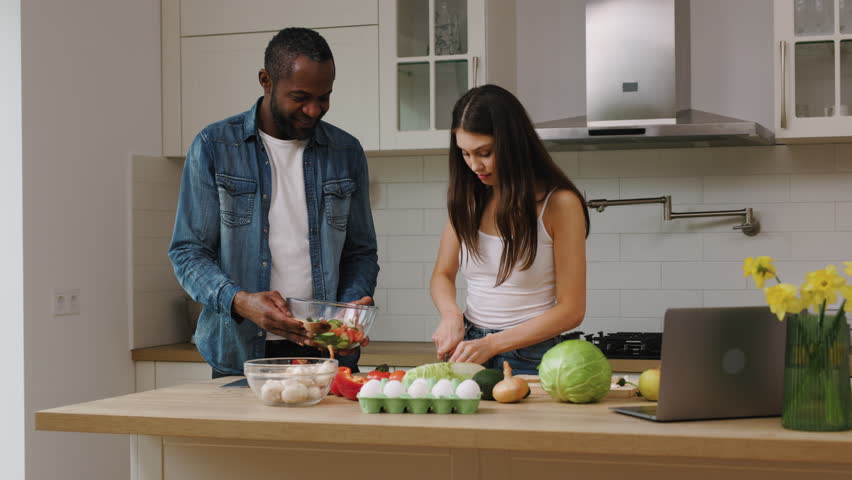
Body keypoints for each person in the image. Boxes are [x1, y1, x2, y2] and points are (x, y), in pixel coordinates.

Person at [169, 27, 379, 377]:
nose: (313, 110)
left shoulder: (346, 152)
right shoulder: (214, 147)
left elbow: (360, 252)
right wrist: (241, 302)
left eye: (324, 97)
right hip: (240, 352)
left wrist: (350, 310)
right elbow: (187, 253)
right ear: (266, 81)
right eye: (300, 97)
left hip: (326, 353)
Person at [430, 84, 590, 375]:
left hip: (530, 355)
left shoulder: (559, 204)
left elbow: (572, 310)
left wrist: (493, 344)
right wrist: (450, 314)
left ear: (513, 144)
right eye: (465, 154)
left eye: (485, 152)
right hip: (468, 347)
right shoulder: (468, 200)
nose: (474, 165)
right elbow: (443, 273)